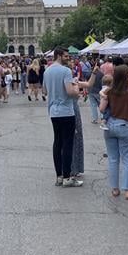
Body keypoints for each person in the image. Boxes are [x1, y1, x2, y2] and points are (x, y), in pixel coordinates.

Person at [99, 64, 128, 200]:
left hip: (110, 126)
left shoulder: (109, 91)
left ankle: (115, 189)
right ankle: (127, 190)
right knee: (127, 159)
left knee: (113, 158)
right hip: (124, 125)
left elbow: (102, 109)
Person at [42, 47, 82, 187]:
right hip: (66, 111)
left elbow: (44, 91)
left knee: (57, 142)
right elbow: (70, 91)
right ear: (58, 56)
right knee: (67, 144)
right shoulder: (66, 71)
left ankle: (59, 176)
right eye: (66, 56)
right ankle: (67, 177)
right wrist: (77, 90)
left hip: (53, 111)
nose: (68, 58)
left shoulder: (47, 71)